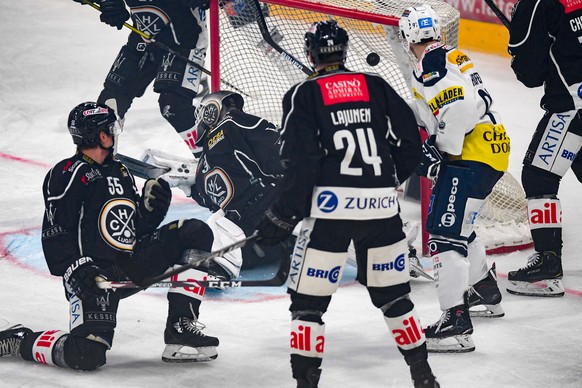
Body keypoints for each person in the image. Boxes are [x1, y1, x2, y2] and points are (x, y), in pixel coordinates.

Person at [255, 20, 439, 388]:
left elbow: (300, 165)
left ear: (311, 54)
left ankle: (305, 383)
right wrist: (385, 182)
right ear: (344, 51)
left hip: (330, 217)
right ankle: (423, 374)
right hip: (381, 212)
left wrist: (281, 215)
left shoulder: (302, 94)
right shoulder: (376, 85)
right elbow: (412, 143)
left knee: (307, 306)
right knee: (395, 299)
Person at [0, 102, 241, 369]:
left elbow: (132, 231)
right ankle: (21, 340)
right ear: (102, 136)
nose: (114, 134)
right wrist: (77, 270)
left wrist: (153, 211)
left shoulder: (120, 170)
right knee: (87, 355)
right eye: (110, 130)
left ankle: (180, 329)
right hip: (93, 277)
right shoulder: (67, 173)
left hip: (129, 264)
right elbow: (55, 232)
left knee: (195, 231)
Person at [398, 4, 510, 353]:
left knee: (444, 234)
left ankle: (456, 322)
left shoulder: (429, 64)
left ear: (407, 37)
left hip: (471, 155)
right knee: (456, 221)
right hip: (489, 148)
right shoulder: (450, 55)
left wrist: (442, 148)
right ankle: (485, 291)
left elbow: (458, 108)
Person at [505, 0, 582, 297]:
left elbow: (530, 74)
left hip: (571, 106)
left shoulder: (535, 4)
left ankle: (548, 262)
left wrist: (517, 51)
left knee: (539, 177)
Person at [73, 0, 211, 157]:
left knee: (173, 107)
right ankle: (101, 166)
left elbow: (236, 8)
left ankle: (215, 161)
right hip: (143, 38)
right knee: (108, 106)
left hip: (185, 42)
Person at [190, 90, 295, 270]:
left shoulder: (202, 165)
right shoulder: (234, 123)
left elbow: (210, 201)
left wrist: (191, 190)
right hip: (273, 209)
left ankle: (245, 254)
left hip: (247, 226)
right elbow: (279, 154)